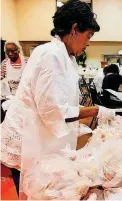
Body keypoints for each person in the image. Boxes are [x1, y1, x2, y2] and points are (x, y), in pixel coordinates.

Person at [0, 0, 115, 197]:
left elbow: (62, 100)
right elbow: (53, 109)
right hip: (28, 137)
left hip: (37, 132)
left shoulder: (65, 56)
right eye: (88, 36)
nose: (88, 42)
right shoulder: (51, 54)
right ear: (75, 29)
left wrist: (79, 124)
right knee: (36, 190)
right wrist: (95, 110)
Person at [1, 41, 29, 122]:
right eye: (7, 51)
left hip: (26, 96)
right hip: (12, 96)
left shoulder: (27, 61)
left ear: (19, 50)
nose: (10, 53)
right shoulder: (4, 63)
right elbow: (1, 78)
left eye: (13, 51)